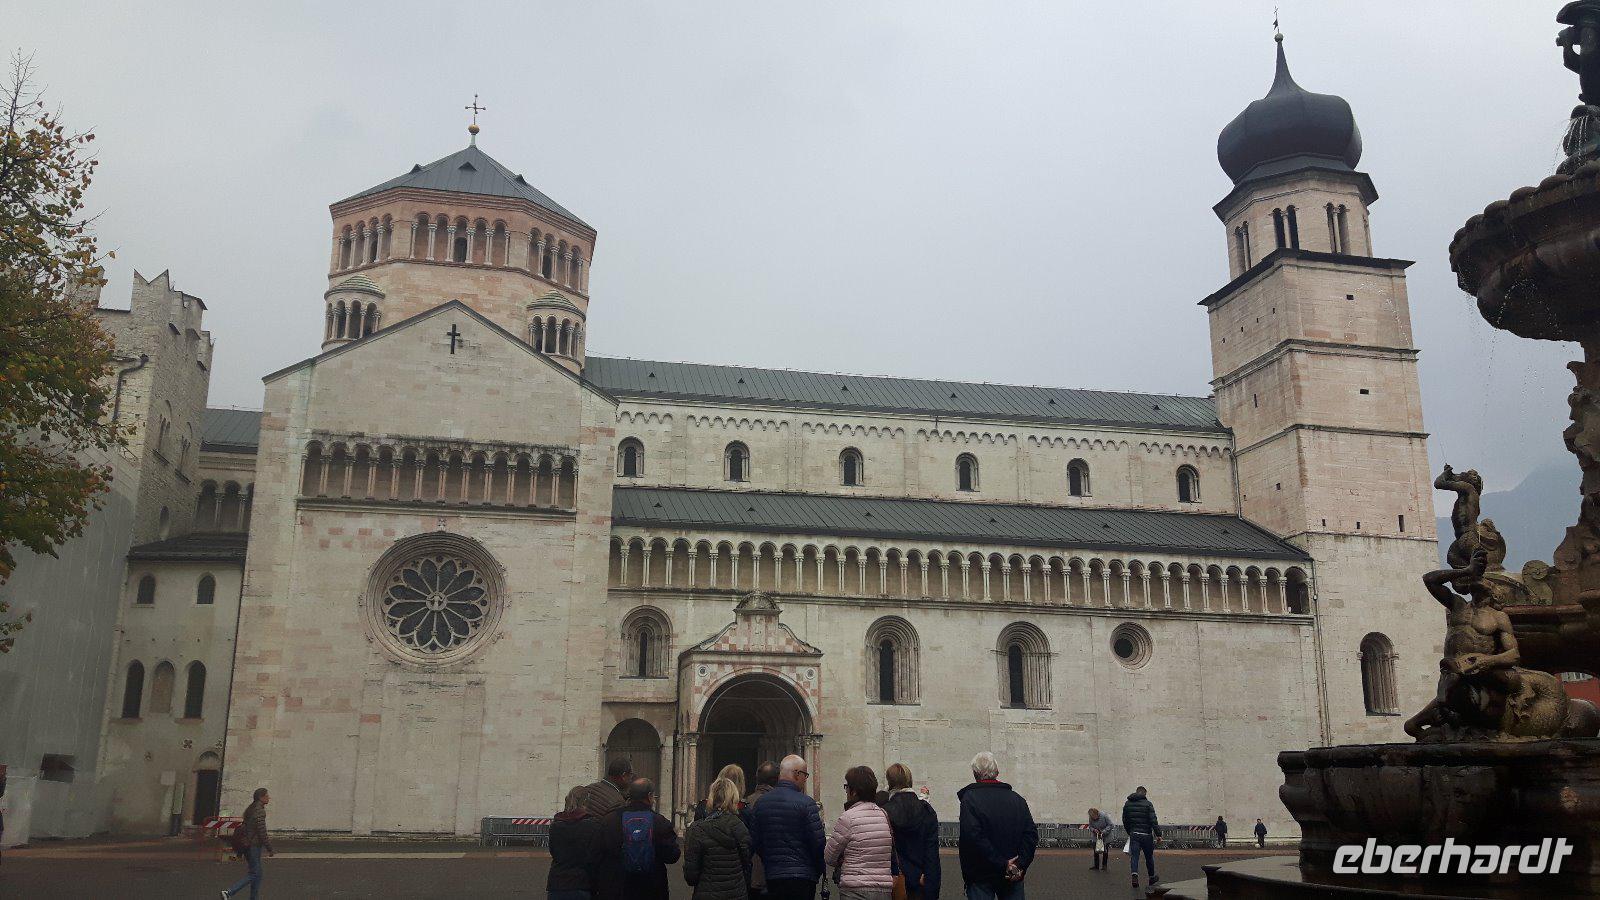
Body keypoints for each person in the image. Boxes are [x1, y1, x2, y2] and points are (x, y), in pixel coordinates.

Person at [956, 751, 1037, 900]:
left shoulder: (969, 800)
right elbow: (1031, 835)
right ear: (997, 772)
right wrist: (1019, 865)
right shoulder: (1017, 799)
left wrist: (1002, 863)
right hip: (1013, 874)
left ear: (975, 773)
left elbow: (974, 837)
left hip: (980, 875)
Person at [747, 754, 826, 900]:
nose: (805, 779)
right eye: (805, 775)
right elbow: (818, 843)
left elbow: (755, 841)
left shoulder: (762, 803)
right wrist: (817, 870)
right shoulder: (807, 803)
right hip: (803, 877)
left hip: (773, 875)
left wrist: (770, 860)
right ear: (797, 774)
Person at [593, 778, 680, 900]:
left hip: (618, 888)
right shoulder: (660, 822)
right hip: (651, 888)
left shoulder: (610, 820)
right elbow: (672, 856)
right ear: (649, 796)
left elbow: (598, 853)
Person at [824, 766, 894, 900]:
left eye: (847, 787)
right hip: (882, 889)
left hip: (855, 889)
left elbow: (829, 856)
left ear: (854, 791)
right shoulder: (883, 815)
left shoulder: (848, 818)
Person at [684, 777, 754, 900]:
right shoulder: (740, 827)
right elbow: (746, 864)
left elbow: (691, 875)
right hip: (736, 893)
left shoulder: (697, 829)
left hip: (706, 893)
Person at [883, 763, 941, 900]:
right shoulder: (927, 810)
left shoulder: (884, 811)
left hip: (895, 881)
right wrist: (932, 886)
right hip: (920, 879)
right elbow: (931, 853)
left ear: (889, 782)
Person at [548, 785, 601, 900]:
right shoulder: (592, 826)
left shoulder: (555, 825)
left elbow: (553, 852)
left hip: (556, 883)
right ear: (587, 803)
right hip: (581, 883)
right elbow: (594, 858)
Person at [220, 787, 274, 900]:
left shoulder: (251, 809)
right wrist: (269, 848)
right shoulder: (260, 811)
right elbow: (261, 832)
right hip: (253, 846)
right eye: (267, 795)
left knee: (257, 874)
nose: (269, 797)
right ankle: (229, 892)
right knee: (255, 873)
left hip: (247, 845)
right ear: (261, 797)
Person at [744, 762, 780, 898]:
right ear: (776, 780)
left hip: (749, 872)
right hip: (771, 873)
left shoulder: (746, 803)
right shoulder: (777, 803)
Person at [1121, 786, 1160, 891]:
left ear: (1136, 792)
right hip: (1146, 835)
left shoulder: (1127, 804)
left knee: (1134, 856)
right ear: (1144, 794)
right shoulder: (1148, 804)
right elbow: (1153, 820)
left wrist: (1130, 831)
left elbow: (1125, 819)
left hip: (1134, 834)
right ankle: (1151, 877)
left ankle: (1134, 875)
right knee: (1149, 857)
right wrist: (1158, 834)